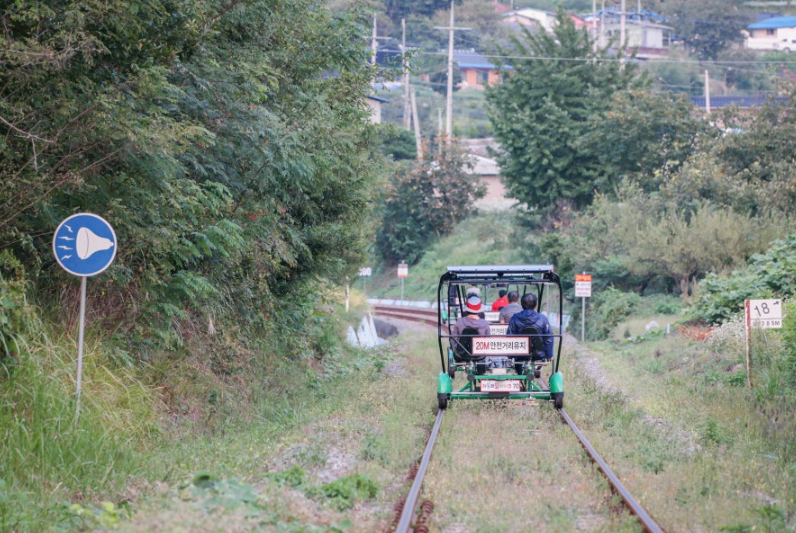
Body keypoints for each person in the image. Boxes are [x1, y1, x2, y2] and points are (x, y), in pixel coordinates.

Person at [507, 293, 553, 360]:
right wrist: (549, 355)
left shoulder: (514, 318)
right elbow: (549, 338)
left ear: (522, 306)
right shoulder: (543, 318)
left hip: (520, 353)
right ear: (536, 306)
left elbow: (510, 336)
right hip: (539, 354)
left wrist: (511, 355)